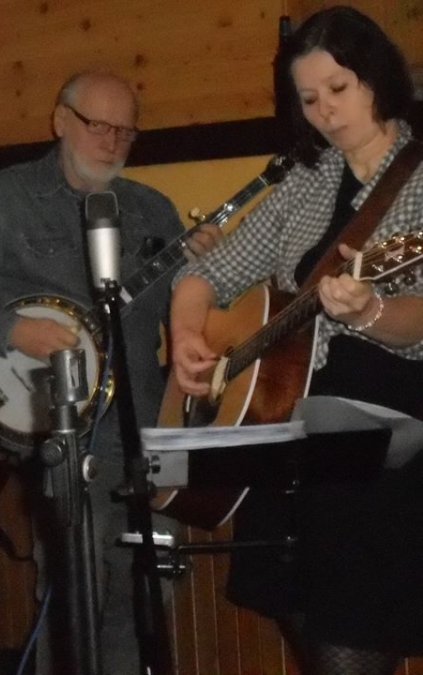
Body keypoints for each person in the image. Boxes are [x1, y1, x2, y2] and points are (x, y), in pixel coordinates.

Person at [0, 70, 219, 674]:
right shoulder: (3, 198)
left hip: (150, 433)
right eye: (98, 126)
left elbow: (189, 317)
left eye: (125, 132)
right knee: (74, 603)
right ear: (60, 121)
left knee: (149, 596)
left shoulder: (153, 209)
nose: (112, 142)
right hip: (64, 437)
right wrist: (11, 330)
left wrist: (208, 268)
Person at [169, 6, 423, 674]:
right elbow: (204, 274)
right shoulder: (306, 181)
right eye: (309, 99)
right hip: (286, 425)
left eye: (338, 89)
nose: (325, 111)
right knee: (176, 475)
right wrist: (187, 332)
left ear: (377, 77)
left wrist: (369, 311)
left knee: (350, 625)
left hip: (380, 433)